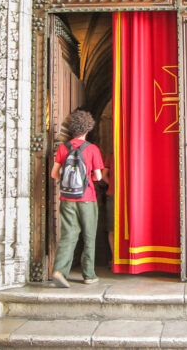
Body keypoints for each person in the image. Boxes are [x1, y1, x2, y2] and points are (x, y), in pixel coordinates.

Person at [51, 110, 104, 287]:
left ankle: (59, 271)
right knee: (89, 236)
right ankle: (88, 275)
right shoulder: (92, 149)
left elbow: (54, 174)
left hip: (67, 198)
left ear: (72, 128)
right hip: (87, 198)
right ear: (88, 128)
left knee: (68, 235)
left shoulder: (63, 148)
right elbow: (98, 176)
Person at [102, 153, 114, 267]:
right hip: (115, 194)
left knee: (112, 229)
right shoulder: (110, 156)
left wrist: (112, 185)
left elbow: (103, 175)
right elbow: (103, 175)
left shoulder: (111, 155)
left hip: (113, 194)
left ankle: (115, 258)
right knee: (112, 228)